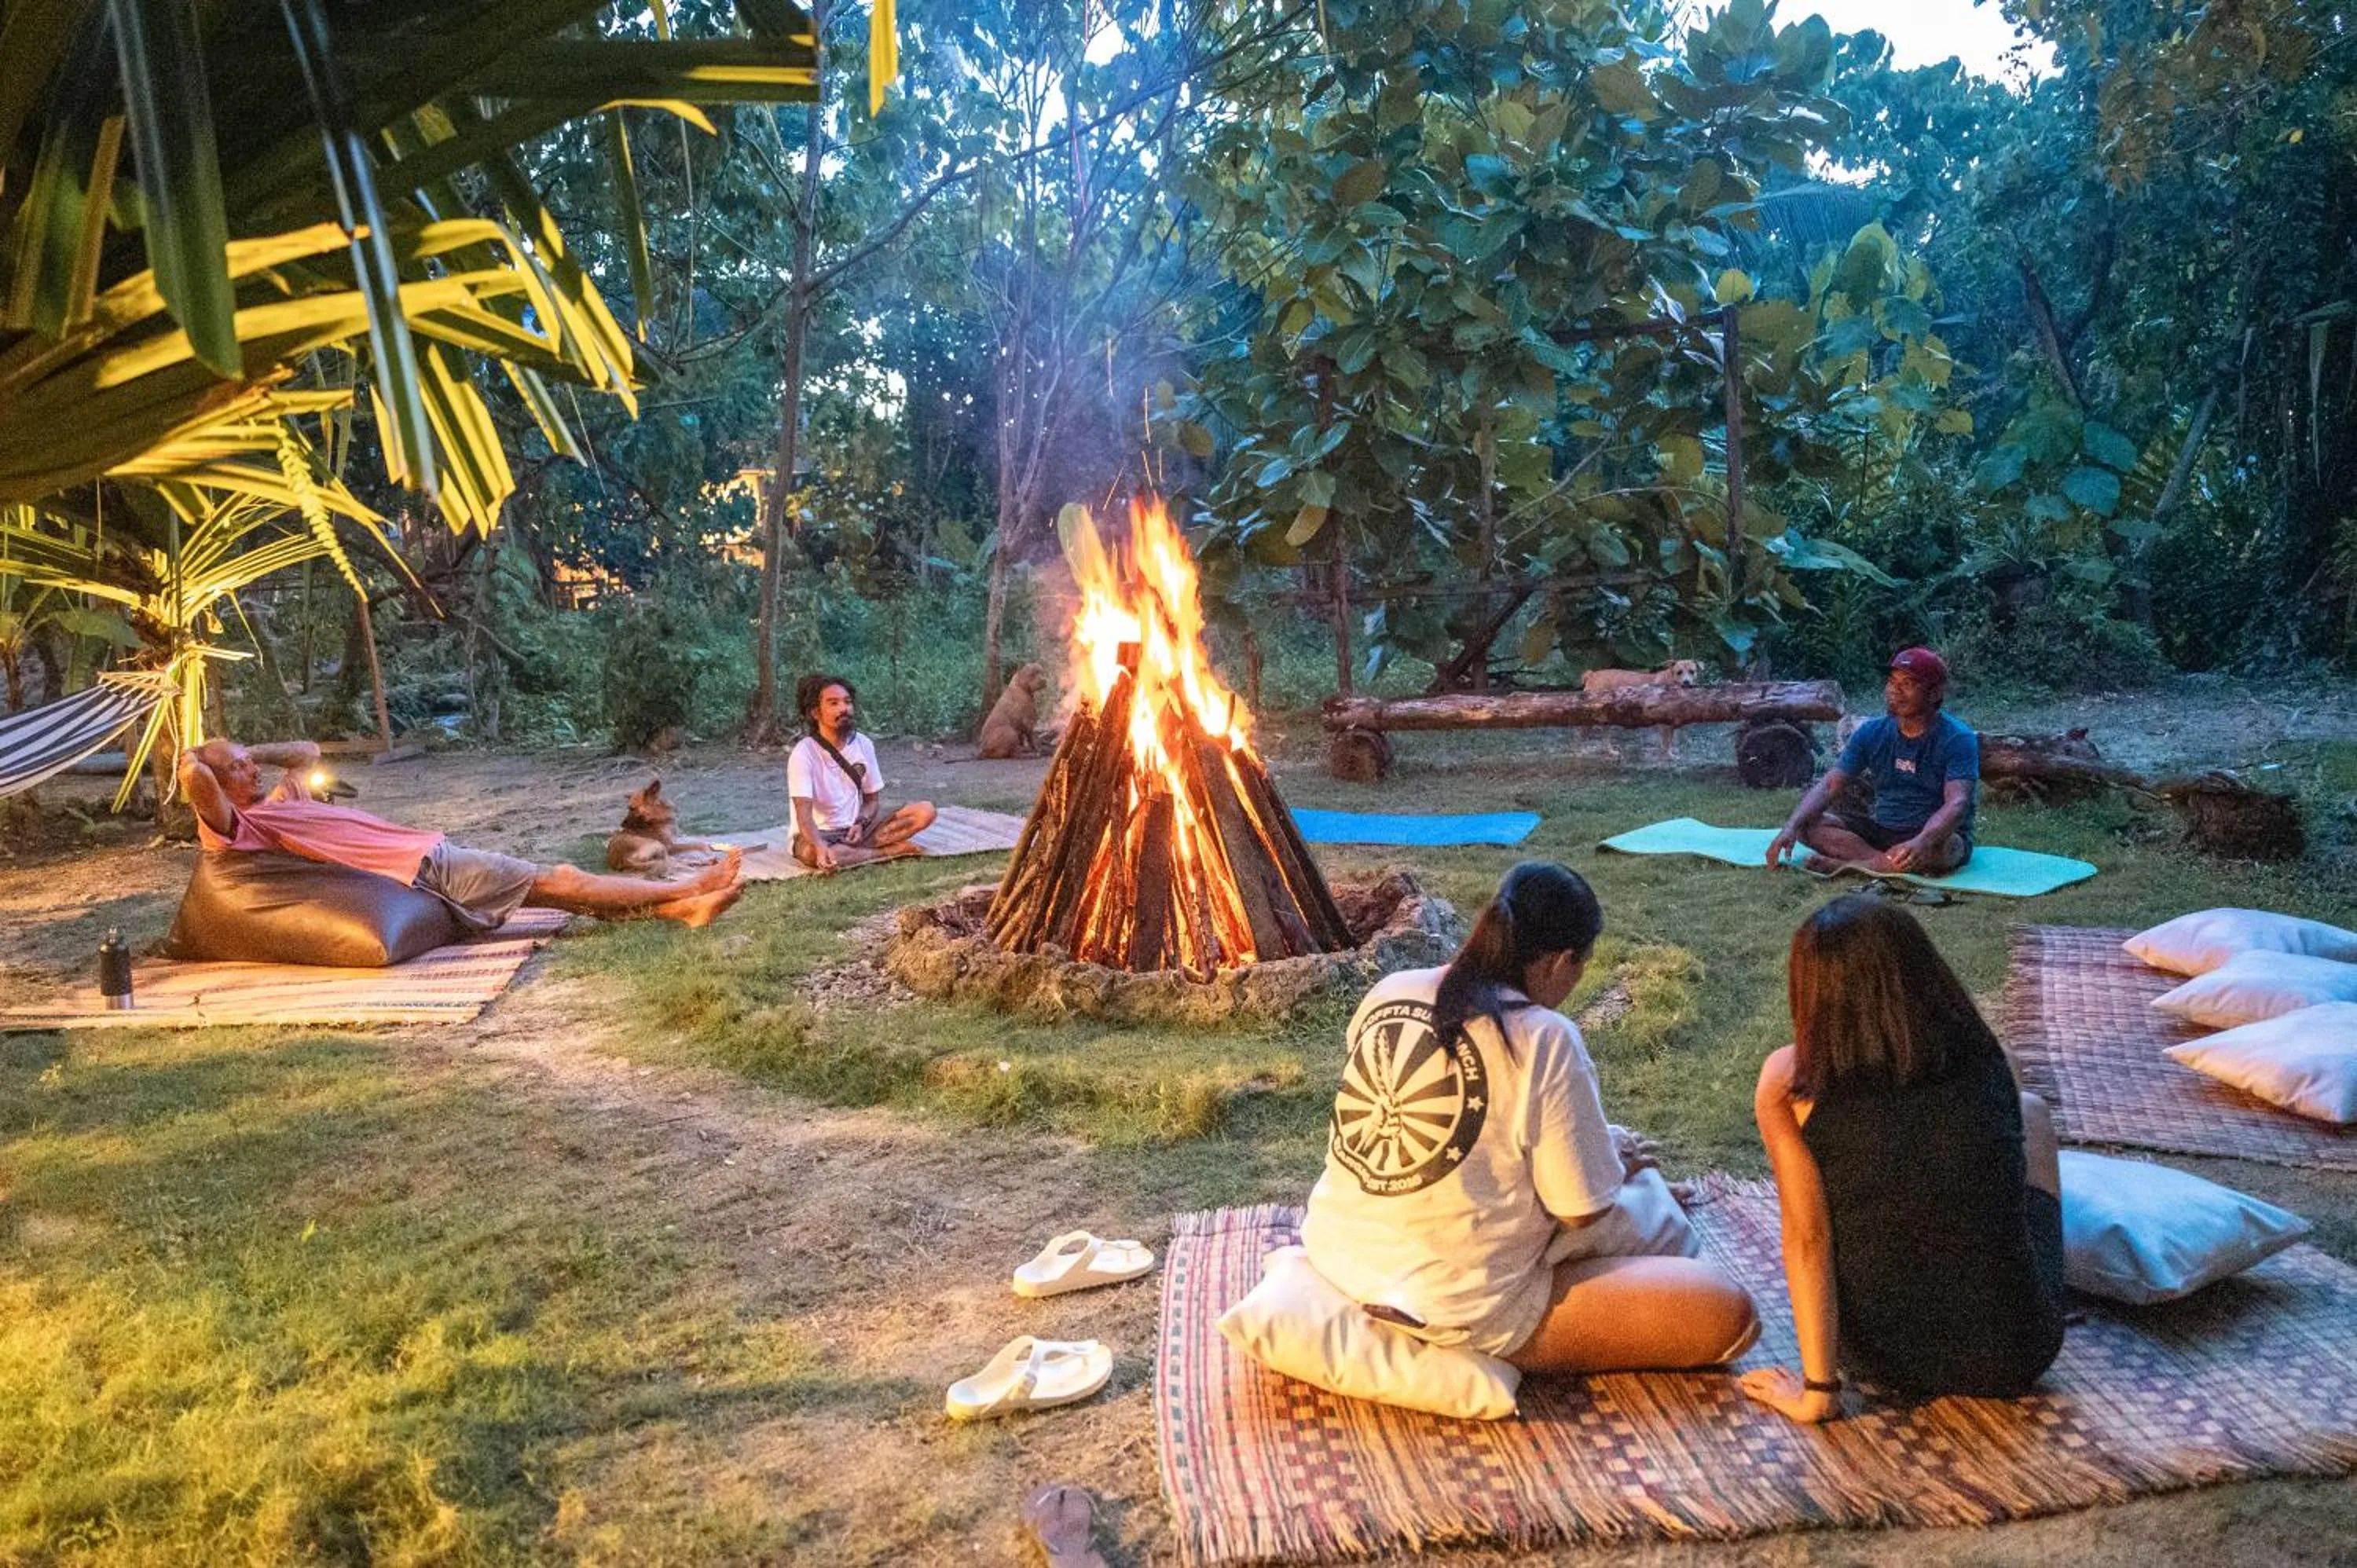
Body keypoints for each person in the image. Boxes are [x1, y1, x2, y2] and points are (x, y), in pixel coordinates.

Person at [1300, 863, 1758, 1373]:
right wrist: (1617, 1163)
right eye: (1582, 967)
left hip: (1341, 1251)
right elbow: (1580, 1212)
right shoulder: (1545, 1036)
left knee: (1633, 1196)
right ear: (1562, 962)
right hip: (1454, 1300)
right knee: (1726, 1309)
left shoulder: (1392, 990)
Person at [1742, 896, 2065, 1422]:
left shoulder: (1790, 1082)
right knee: (2032, 1113)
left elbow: (1808, 1237)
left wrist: (1818, 1392)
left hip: (1881, 1360)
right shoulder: (1993, 1058)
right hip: (2015, 1352)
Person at [178, 738, 746, 928]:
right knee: (561, 878)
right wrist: (197, 754)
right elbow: (194, 778)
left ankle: (679, 910)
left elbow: (307, 752)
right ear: (220, 786)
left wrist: (246, 751)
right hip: (422, 868)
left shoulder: (283, 801)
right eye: (239, 769)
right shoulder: (238, 826)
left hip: (428, 854)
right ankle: (687, 889)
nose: (253, 771)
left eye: (251, 763)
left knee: (552, 893)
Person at [1766, 647, 1978, 876]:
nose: (1894, 691)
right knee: (1806, 826)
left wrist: (1921, 842)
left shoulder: (1957, 738)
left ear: (1934, 693)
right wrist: (1789, 828)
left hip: (1932, 836)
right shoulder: (1872, 732)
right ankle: (1884, 864)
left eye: (1907, 684)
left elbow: (1957, 803)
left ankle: (1857, 865)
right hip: (1883, 830)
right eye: (1892, 682)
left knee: (1949, 848)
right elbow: (1830, 785)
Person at [787, 673, 936, 871]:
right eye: (833, 703)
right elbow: (804, 817)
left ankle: (852, 853)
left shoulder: (863, 744)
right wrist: (820, 846)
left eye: (847, 702)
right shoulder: (804, 753)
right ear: (816, 713)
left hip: (856, 830)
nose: (844, 708)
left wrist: (860, 823)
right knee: (813, 853)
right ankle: (887, 852)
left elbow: (872, 801)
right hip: (818, 834)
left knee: (925, 811)